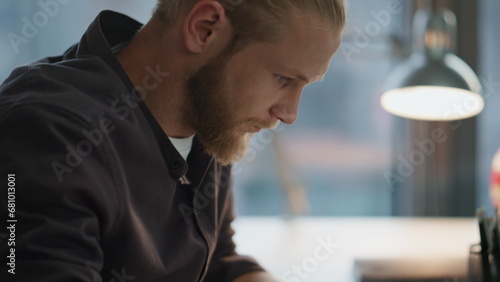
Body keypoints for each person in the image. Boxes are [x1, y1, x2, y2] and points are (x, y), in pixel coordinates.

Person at [0, 0, 345, 281]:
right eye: (283, 77)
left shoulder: (209, 115)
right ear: (204, 28)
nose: (289, 114)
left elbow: (216, 261)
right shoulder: (49, 133)